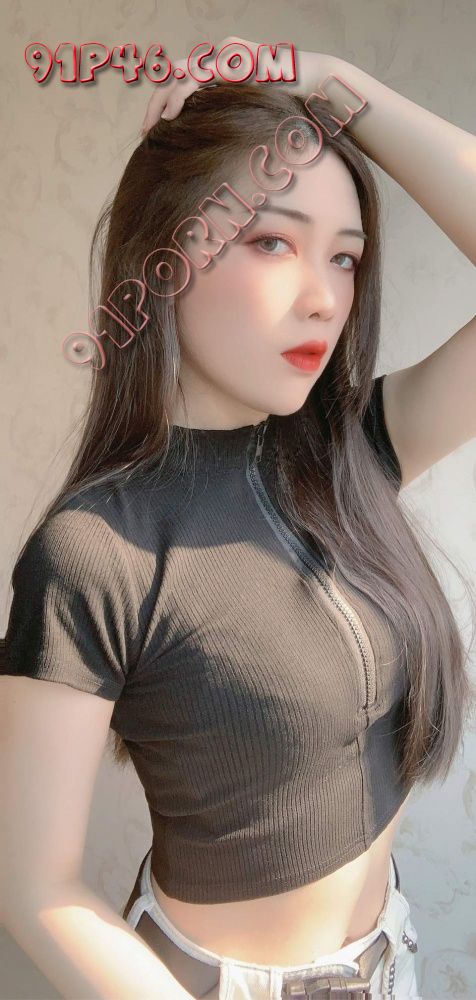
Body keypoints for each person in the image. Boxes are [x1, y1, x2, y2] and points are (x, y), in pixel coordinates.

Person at [1, 38, 476, 1000]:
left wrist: (338, 85)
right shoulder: (96, 551)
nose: (325, 297)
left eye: (345, 258)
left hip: (392, 961)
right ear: (163, 257)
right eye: (272, 242)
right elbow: (30, 884)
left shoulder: (352, 453)